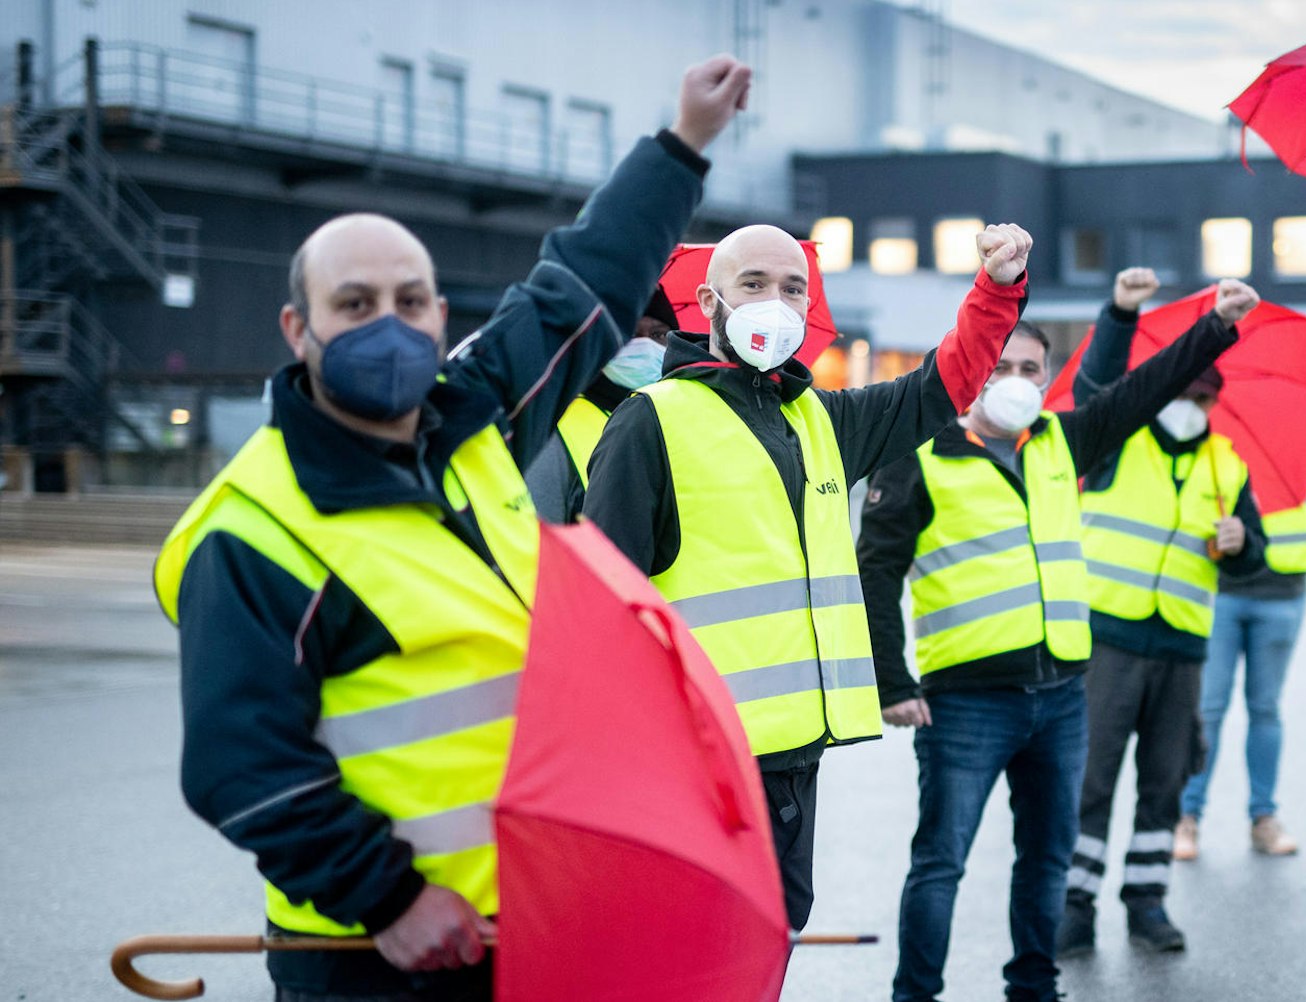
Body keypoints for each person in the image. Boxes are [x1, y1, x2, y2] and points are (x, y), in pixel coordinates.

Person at [152, 56, 746, 1001]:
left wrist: (683, 144)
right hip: (376, 957)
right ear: (298, 329)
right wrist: (388, 901)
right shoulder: (252, 528)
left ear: (437, 318)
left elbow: (579, 284)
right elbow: (240, 764)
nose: (387, 324)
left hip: (526, 924)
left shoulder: (471, 421)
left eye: (410, 301)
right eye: (353, 305)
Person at [582, 217, 1034, 934]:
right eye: (753, 283)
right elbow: (601, 607)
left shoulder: (821, 420)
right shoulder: (649, 421)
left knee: (771, 928)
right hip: (698, 762)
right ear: (708, 300)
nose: (775, 300)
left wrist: (997, 290)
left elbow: (940, 386)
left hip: (792, 754)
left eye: (794, 288)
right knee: (698, 940)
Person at [860, 270, 1259, 1002]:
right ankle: (915, 993)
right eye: (1000, 366)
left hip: (1062, 695)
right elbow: (875, 571)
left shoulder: (1060, 442)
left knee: (1045, 859)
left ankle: (1034, 985)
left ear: (1047, 379)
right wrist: (892, 680)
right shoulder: (921, 457)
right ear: (971, 369)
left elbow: (1143, 390)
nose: (1015, 380)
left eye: (1030, 370)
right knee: (941, 861)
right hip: (965, 701)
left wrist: (1215, 325)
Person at [1054, 280, 1270, 959]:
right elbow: (1095, 385)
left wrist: (1243, 548)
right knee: (1091, 780)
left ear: (1216, 402)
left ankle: (1146, 902)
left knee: (1164, 784)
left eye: (1203, 396)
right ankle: (1075, 904)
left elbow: (1251, 562)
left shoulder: (1228, 465)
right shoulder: (1119, 439)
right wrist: (1120, 314)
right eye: (1182, 392)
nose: (1190, 404)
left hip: (1181, 649)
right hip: (1107, 643)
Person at [1173, 485, 1306, 861]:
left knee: (1265, 708)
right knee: (1208, 707)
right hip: (1220, 587)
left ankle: (1263, 818)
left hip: (1282, 591)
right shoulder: (1217, 448)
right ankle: (1186, 817)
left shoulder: (1292, 450)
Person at [522, 287, 678, 522]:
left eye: (658, 335)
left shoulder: (682, 419)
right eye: (630, 335)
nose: (644, 345)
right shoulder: (559, 426)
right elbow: (540, 539)